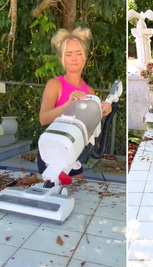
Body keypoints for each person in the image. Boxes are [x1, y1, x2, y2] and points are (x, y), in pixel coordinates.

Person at [38, 27, 112, 179]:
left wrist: (103, 111)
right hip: (52, 153)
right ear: (62, 59)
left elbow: (89, 128)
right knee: (53, 194)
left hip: (76, 153)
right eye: (69, 54)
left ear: (85, 57)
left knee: (77, 197)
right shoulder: (55, 84)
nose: (74, 58)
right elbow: (43, 119)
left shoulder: (89, 91)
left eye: (78, 53)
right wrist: (68, 105)